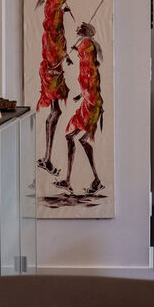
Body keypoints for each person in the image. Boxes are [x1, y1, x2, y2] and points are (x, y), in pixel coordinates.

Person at [35, 0, 73, 177]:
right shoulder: (52, 8)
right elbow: (53, 34)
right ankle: (47, 158)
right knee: (55, 112)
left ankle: (47, 158)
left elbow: (58, 33)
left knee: (55, 111)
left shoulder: (54, 16)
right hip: (52, 70)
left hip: (53, 67)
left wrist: (64, 57)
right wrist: (58, 61)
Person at [61, 21, 105, 195]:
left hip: (92, 104)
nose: (77, 28)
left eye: (79, 28)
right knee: (72, 138)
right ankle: (71, 180)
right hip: (89, 102)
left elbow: (88, 71)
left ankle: (92, 179)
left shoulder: (87, 45)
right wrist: (82, 94)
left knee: (79, 139)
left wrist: (69, 53)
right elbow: (88, 75)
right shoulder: (88, 46)